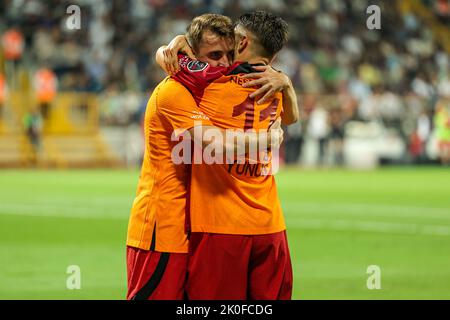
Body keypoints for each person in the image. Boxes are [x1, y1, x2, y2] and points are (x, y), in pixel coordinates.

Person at [126, 14, 288, 300]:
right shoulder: (174, 92)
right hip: (161, 227)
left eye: (229, 54)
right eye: (214, 56)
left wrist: (285, 80)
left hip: (192, 227)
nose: (224, 64)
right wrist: (269, 140)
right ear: (190, 56)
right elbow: (215, 145)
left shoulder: (209, 90)